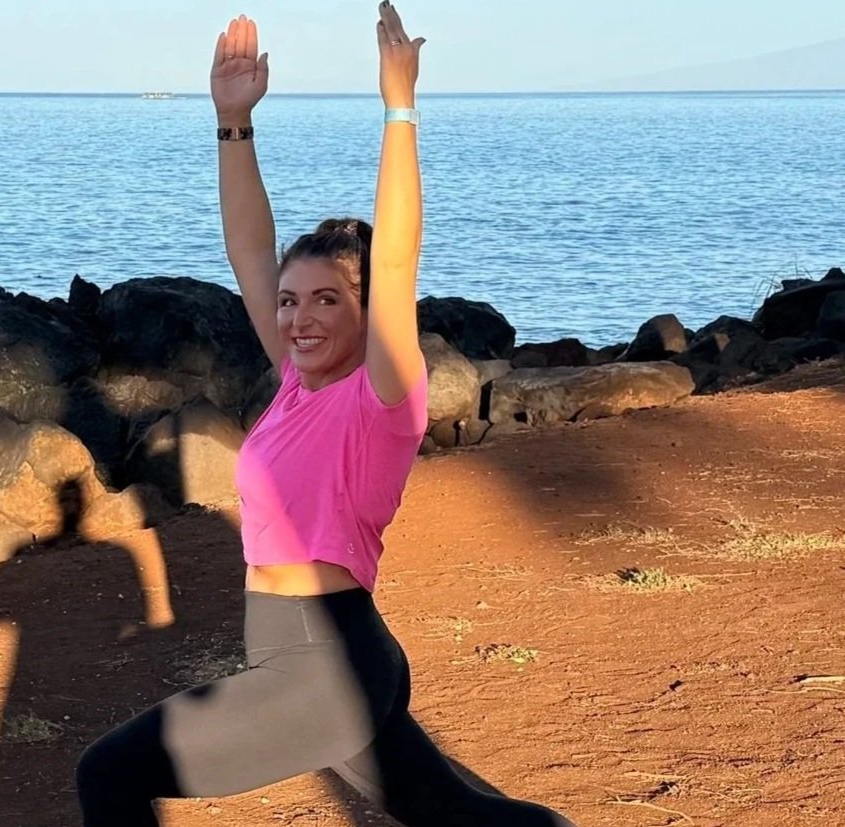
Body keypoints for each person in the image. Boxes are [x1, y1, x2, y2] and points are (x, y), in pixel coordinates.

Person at [75, 4, 576, 825]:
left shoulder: (380, 396)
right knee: (465, 819)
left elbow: (398, 254)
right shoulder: (294, 388)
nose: (300, 317)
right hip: (313, 653)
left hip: (324, 664)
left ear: (365, 310)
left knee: (111, 775)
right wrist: (232, 124)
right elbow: (247, 247)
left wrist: (399, 110)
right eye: (288, 301)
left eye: (326, 300)